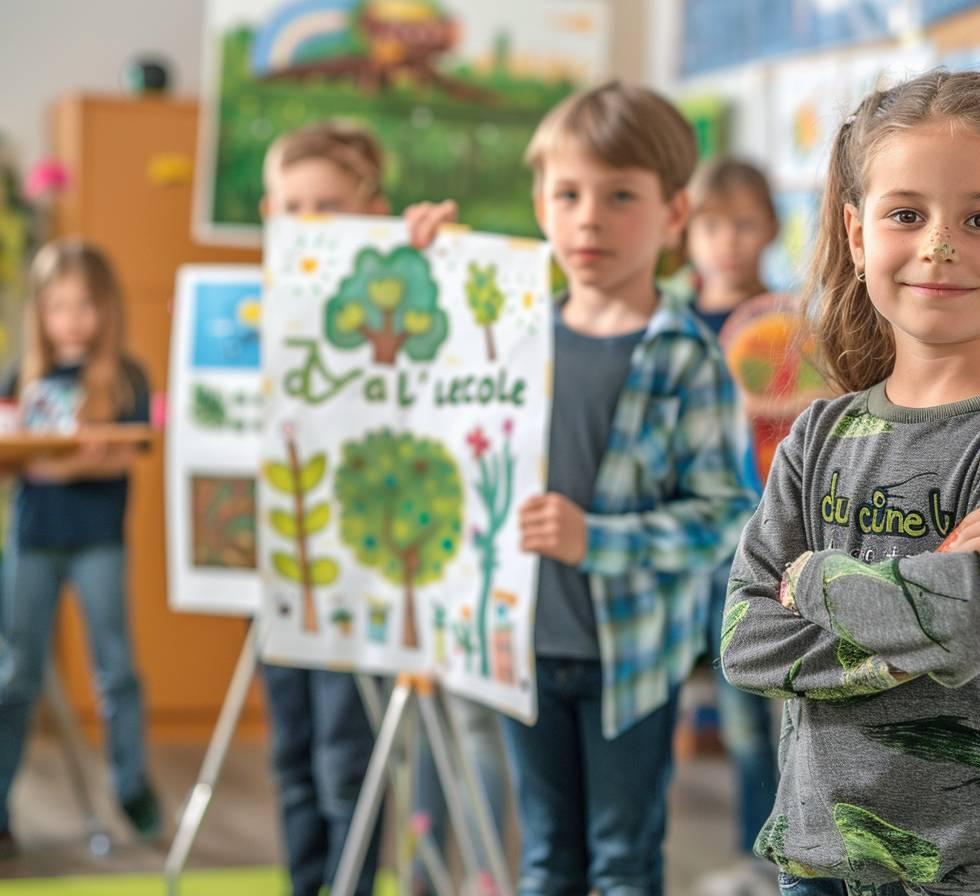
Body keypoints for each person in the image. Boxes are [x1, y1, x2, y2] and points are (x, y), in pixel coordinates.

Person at [720, 70, 980, 896]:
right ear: (858, 233)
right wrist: (924, 595)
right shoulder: (818, 436)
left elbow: (971, 626)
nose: (939, 245)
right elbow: (744, 641)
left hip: (968, 869)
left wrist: (815, 578)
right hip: (815, 858)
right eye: (908, 214)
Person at [505, 81, 756, 896]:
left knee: (621, 858)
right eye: (568, 193)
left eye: (620, 196)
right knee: (546, 857)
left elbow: (723, 516)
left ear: (673, 215)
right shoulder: (512, 340)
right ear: (540, 203)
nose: (589, 219)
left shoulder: (686, 356)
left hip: (632, 659)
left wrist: (597, 540)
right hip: (524, 648)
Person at [258, 121, 478, 896]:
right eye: (293, 205)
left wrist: (440, 255)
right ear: (268, 212)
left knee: (346, 760)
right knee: (290, 754)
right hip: (287, 569)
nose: (310, 222)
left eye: (329, 204)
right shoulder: (260, 310)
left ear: (374, 208)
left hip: (370, 571)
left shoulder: (400, 288)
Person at [0, 239, 158, 858]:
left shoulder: (126, 378)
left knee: (115, 670)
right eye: (58, 305)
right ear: (41, 310)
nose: (71, 318)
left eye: (84, 305)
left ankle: (132, 786)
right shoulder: (21, 377)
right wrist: (56, 464)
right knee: (16, 673)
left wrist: (63, 464)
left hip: (98, 542)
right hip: (34, 540)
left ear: (106, 309)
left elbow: (127, 449)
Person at [683, 158, 782, 896]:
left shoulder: (787, 324)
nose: (728, 241)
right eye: (713, 224)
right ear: (685, 229)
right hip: (673, 540)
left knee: (750, 715)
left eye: (745, 223)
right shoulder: (668, 321)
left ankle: (760, 859)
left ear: (770, 229)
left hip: (752, 539)